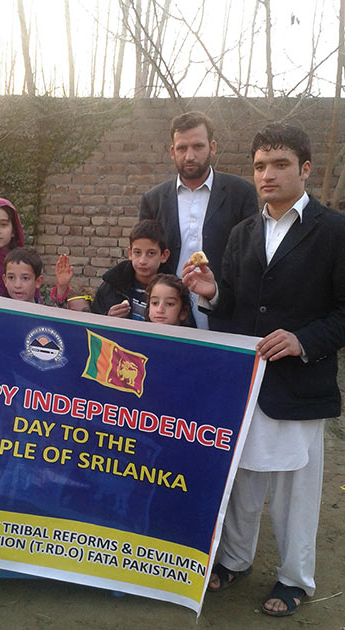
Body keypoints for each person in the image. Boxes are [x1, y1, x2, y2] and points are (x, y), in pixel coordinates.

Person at [182, 123, 345, 617]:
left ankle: (295, 578)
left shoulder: (334, 231)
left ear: (306, 169)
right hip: (246, 381)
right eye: (259, 166)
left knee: (296, 490)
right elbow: (235, 305)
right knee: (242, 479)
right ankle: (233, 559)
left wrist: (303, 341)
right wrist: (212, 292)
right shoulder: (242, 232)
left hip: (299, 382)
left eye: (279, 165)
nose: (267, 175)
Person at [139, 111, 258, 330]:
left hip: (223, 313)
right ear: (172, 152)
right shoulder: (153, 199)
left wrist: (217, 293)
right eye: (182, 148)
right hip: (168, 316)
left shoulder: (241, 194)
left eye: (198, 147)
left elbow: (249, 260)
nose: (190, 156)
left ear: (212, 147)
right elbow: (142, 255)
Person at [92, 219, 171, 320]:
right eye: (137, 252)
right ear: (130, 253)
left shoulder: (174, 290)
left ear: (164, 255)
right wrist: (108, 318)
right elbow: (93, 322)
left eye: (151, 253)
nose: (142, 261)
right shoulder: (112, 285)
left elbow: (185, 328)